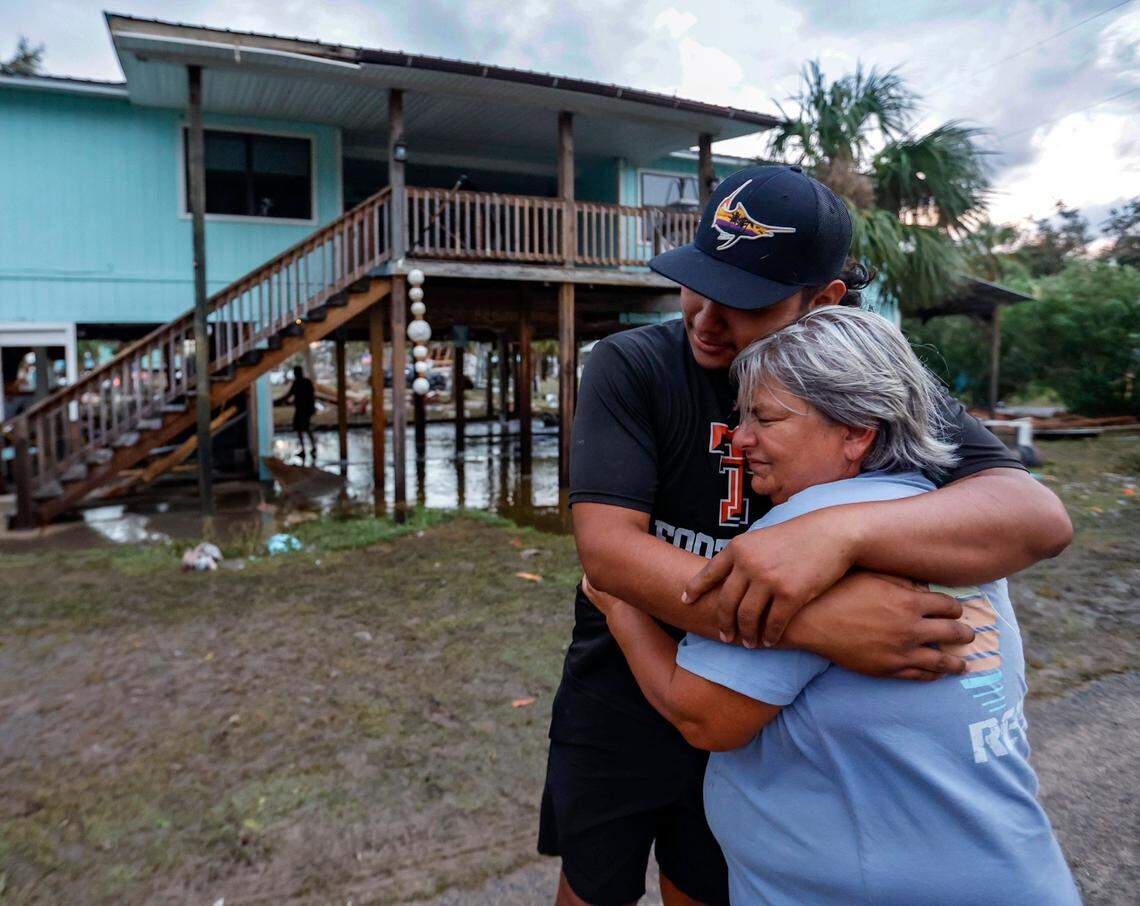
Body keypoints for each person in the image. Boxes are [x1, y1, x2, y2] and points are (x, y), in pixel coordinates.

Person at [540, 165, 1073, 906]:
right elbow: (608, 551)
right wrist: (813, 623)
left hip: (766, 712)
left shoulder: (853, 377)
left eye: (745, 302)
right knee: (593, 884)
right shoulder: (635, 364)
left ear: (823, 302)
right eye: (700, 282)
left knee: (707, 878)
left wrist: (840, 532)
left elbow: (1036, 516)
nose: (706, 318)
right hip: (624, 690)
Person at [276, 365, 317, 463]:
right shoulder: (306, 382)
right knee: (304, 428)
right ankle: (311, 448)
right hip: (305, 409)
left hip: (303, 409)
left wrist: (278, 401)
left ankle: (307, 448)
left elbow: (289, 395)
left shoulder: (298, 383)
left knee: (302, 428)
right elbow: (311, 395)